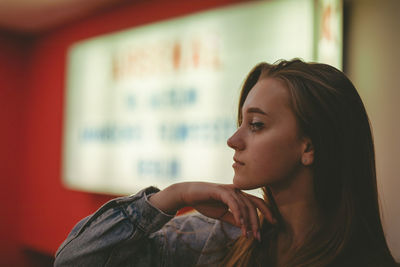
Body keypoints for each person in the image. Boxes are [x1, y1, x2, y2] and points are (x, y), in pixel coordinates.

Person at [54, 59, 398, 267]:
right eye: (240, 122)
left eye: (257, 124)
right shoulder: (213, 239)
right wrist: (174, 196)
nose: (233, 140)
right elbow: (73, 261)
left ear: (309, 146)